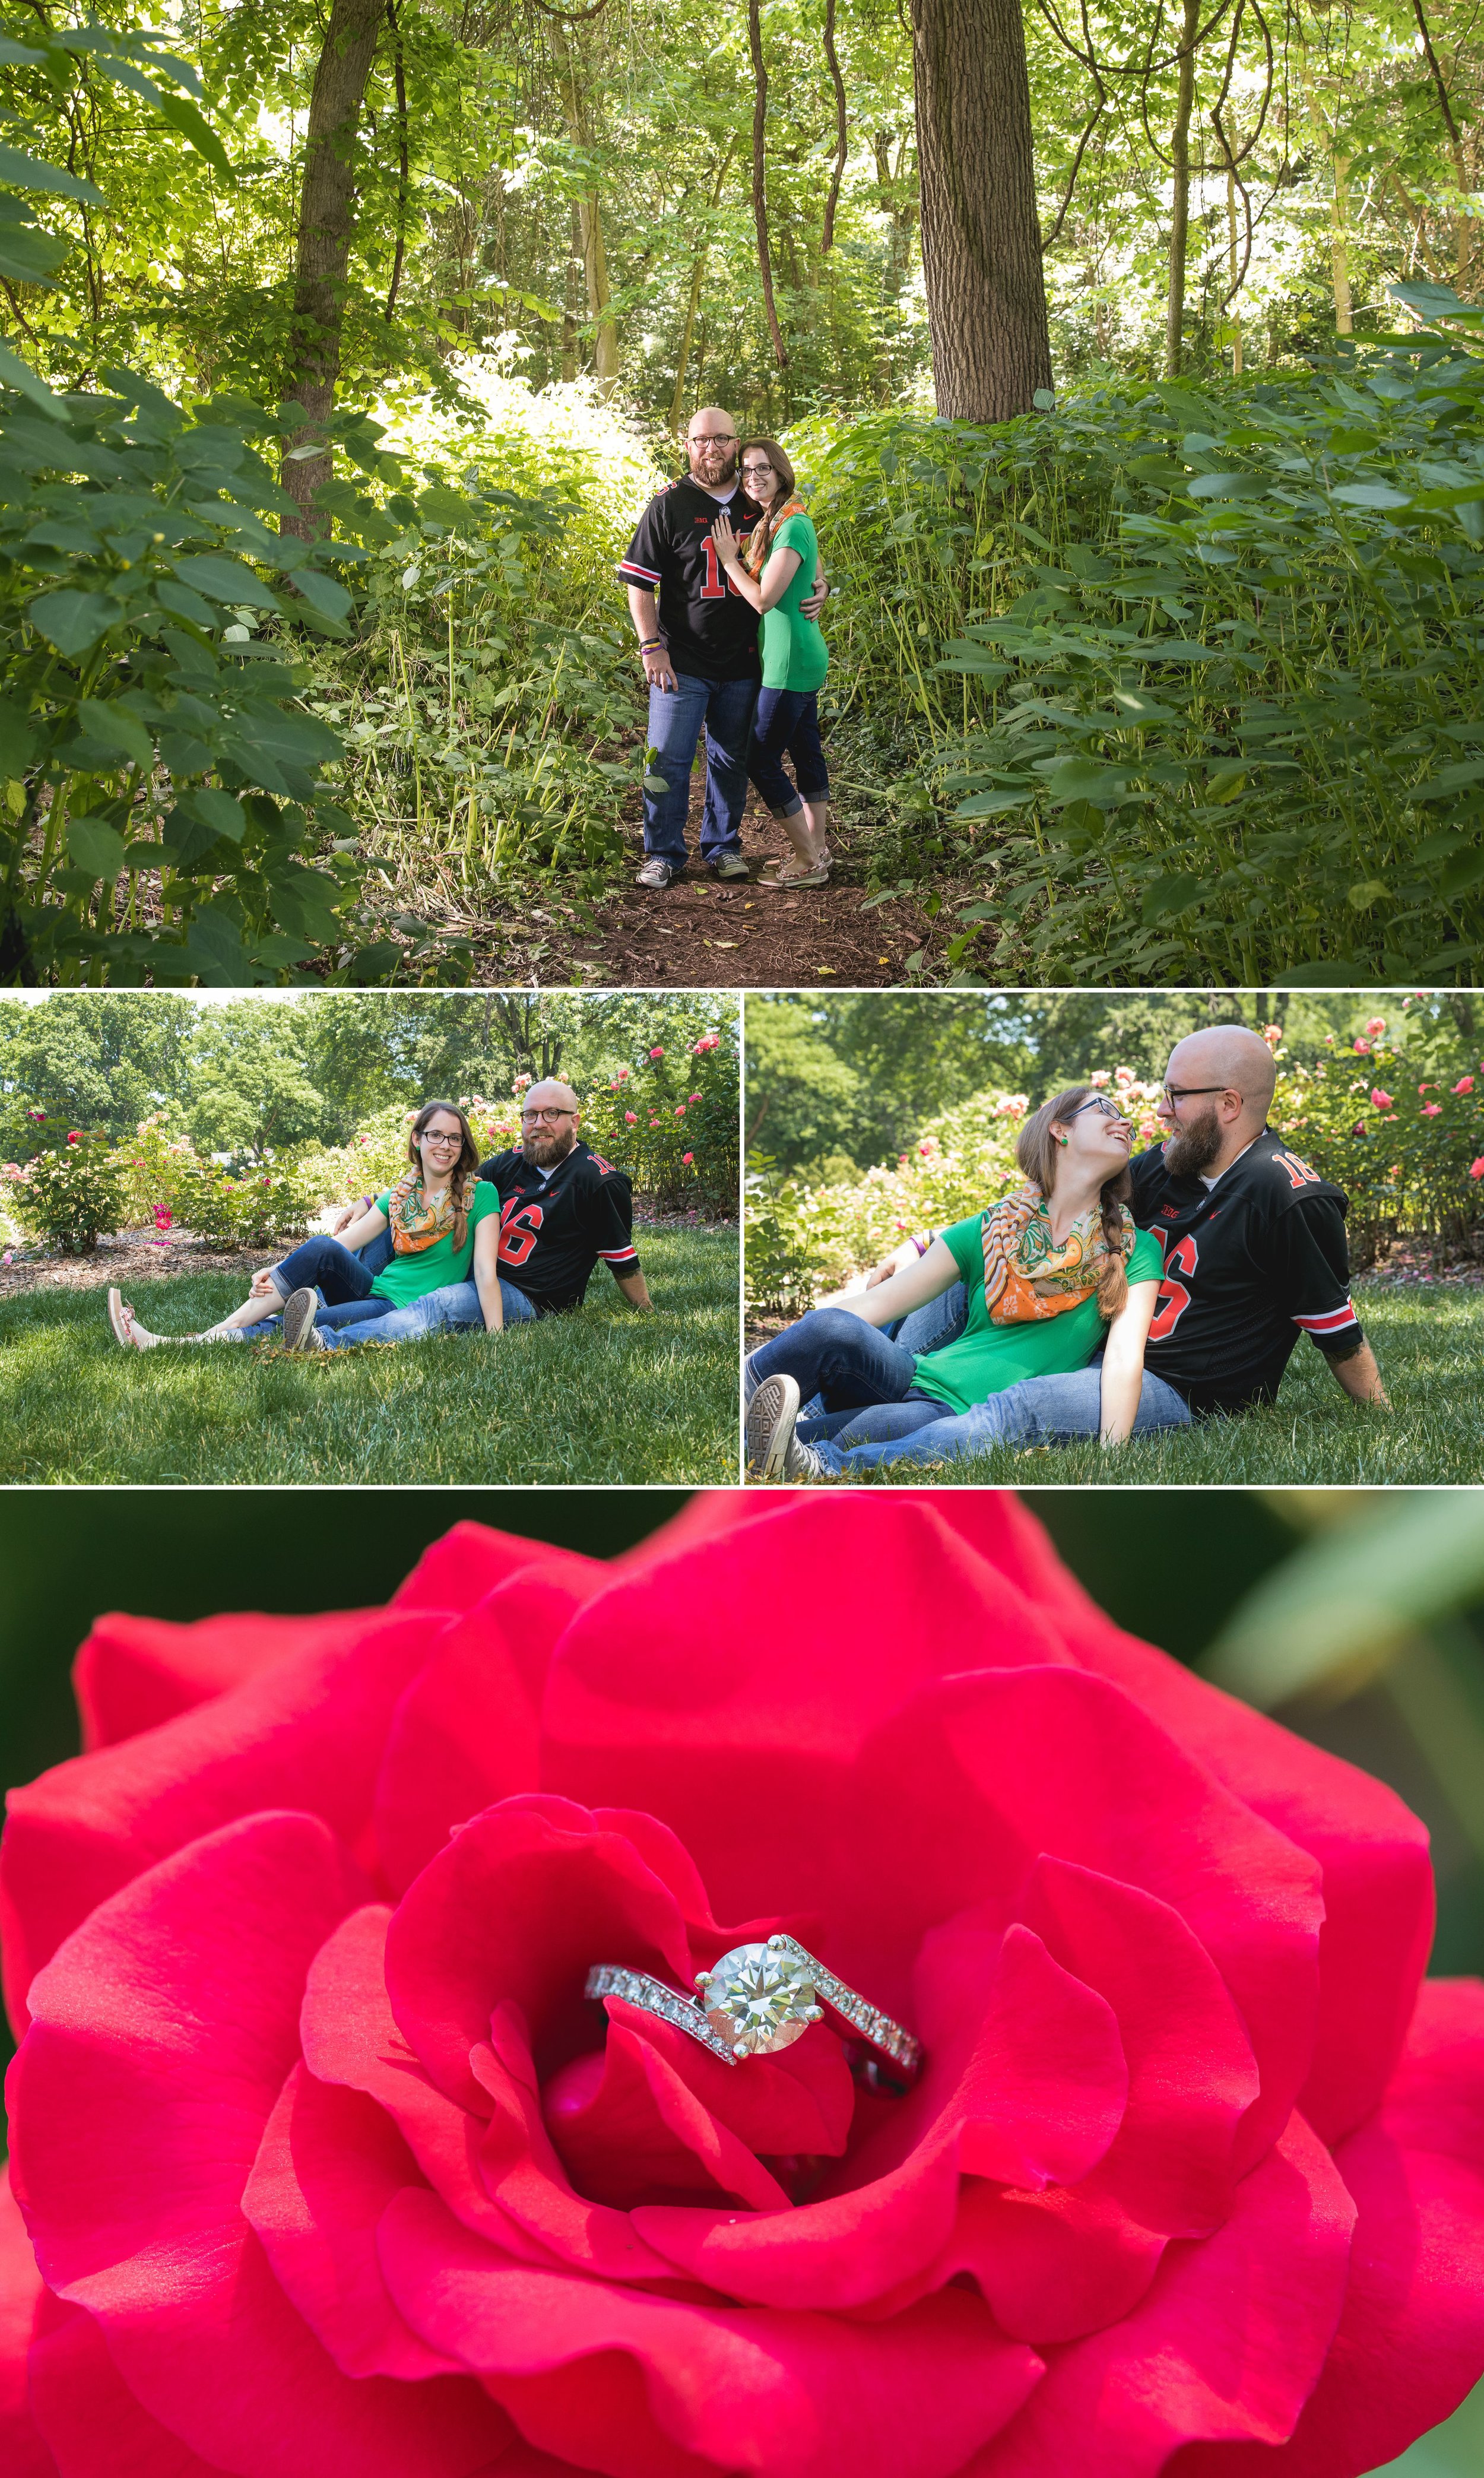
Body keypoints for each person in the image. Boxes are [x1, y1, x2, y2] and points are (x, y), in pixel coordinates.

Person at [770, 1023, 1387, 1475]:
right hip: (1096, 1350)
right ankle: (803, 1412)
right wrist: (921, 1244)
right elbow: (1047, 1204)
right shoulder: (1167, 1165)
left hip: (1180, 1386)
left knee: (1016, 1409)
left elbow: (1334, 1326)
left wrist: (1382, 1417)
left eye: (1176, 1094)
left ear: (1228, 1104)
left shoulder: (1287, 1195)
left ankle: (823, 1462)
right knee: (956, 1293)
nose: (1160, 1109)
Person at [745, 1085, 1165, 1481]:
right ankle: (739, 1390)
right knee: (831, 1324)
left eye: (1125, 1116)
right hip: (911, 1377)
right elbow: (879, 1304)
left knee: (801, 1442)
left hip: (947, 1412)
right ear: (1060, 1130)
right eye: (1106, 1110)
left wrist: (1112, 1456)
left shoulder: (1134, 1249)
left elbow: (1124, 1360)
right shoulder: (990, 1230)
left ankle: (808, 1461)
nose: (1126, 1123)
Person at [107, 1102, 508, 1355]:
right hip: (373, 1290)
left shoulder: (481, 1195)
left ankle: (183, 1344)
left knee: (305, 1325)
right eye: (436, 1134)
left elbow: (486, 1275)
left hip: (401, 1310)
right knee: (320, 1247)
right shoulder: (399, 1196)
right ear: (418, 1139)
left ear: (463, 1145)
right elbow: (342, 1244)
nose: (446, 1145)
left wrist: (497, 1341)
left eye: (455, 1138)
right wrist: (280, 1270)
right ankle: (214, 1333)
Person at [619, 407, 826, 890]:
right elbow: (639, 583)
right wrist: (651, 646)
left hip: (747, 659)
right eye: (700, 440)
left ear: (737, 445)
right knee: (667, 756)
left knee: (732, 755)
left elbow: (799, 557)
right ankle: (664, 853)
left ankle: (724, 847)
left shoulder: (761, 500)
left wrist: (821, 586)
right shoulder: (668, 504)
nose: (710, 449)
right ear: (687, 445)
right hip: (682, 657)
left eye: (722, 440)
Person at [711, 438, 832, 889]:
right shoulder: (780, 520)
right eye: (746, 470)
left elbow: (763, 599)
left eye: (763, 468)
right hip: (798, 655)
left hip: (789, 662)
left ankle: (806, 858)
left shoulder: (791, 524)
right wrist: (823, 584)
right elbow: (813, 575)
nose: (753, 477)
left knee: (760, 759)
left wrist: (729, 562)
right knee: (804, 751)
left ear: (781, 472)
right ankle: (816, 846)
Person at [474, 1079, 653, 1316]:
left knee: (438, 1306)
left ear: (574, 1122)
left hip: (532, 1297)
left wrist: (646, 1309)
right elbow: (463, 1189)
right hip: (483, 1275)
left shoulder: (597, 1180)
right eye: (530, 1115)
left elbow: (620, 1256)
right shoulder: (510, 1162)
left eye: (552, 1113)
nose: (539, 1124)